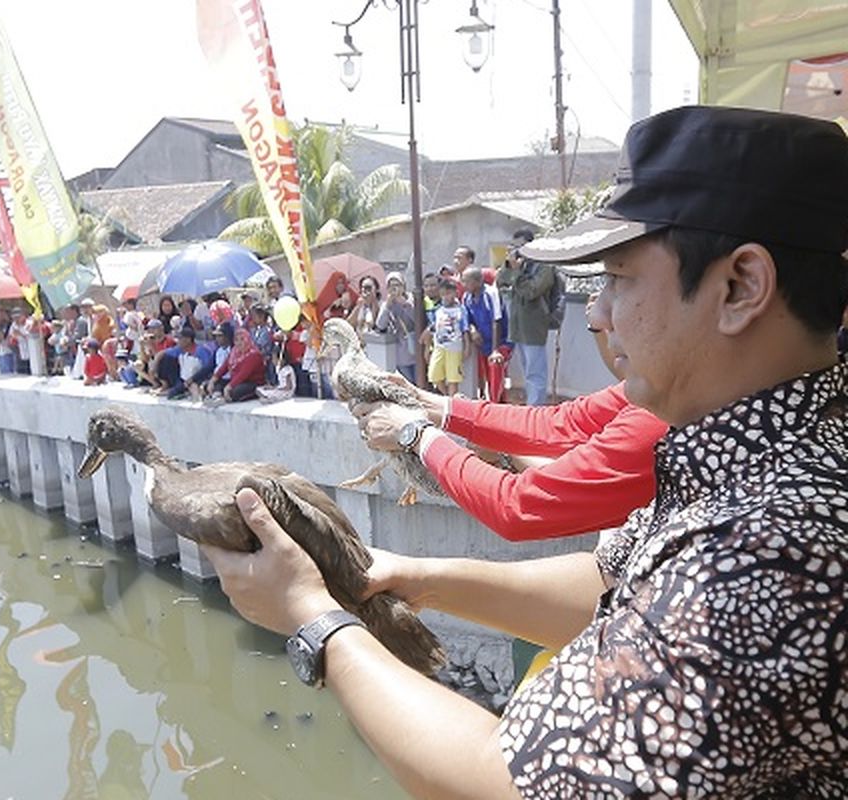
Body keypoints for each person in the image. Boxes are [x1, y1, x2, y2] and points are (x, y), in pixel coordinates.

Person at [203, 106, 848, 798]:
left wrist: (311, 617)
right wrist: (410, 574)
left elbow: (509, 783)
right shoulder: (752, 451)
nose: (598, 313)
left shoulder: (775, 551)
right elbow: (610, 582)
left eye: (621, 277)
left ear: (740, 286)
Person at [496, 229, 554, 405]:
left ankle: (536, 409)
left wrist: (517, 273)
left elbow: (531, 291)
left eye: (520, 246)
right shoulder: (517, 266)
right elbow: (500, 281)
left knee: (535, 372)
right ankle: (532, 405)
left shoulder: (543, 266)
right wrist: (508, 266)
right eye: (515, 247)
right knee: (526, 371)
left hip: (533, 325)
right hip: (517, 326)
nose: (518, 251)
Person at [461, 266, 510, 401]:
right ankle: (490, 400)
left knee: (496, 371)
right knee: (484, 375)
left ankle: (496, 405)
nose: (463, 285)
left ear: (478, 281)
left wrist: (495, 350)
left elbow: (496, 320)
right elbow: (466, 318)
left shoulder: (491, 293)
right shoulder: (467, 297)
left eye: (466, 281)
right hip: (482, 343)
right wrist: (472, 330)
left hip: (500, 342)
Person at [424, 277, 466, 396]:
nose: (445, 297)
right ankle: (447, 395)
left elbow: (465, 329)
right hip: (439, 347)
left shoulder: (461, 309)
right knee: (433, 376)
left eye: (448, 294)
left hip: (454, 348)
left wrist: (466, 347)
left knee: (453, 379)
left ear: (455, 293)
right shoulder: (438, 310)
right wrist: (428, 347)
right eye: (443, 294)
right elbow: (433, 329)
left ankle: (452, 402)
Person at [375, 272, 417, 384]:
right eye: (391, 286)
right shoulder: (387, 303)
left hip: (415, 347)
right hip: (400, 351)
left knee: (420, 382)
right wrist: (387, 306)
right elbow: (380, 325)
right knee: (408, 384)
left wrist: (405, 304)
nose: (395, 288)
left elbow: (418, 320)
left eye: (397, 285)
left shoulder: (411, 299)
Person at [205, 327, 265, 404]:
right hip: (237, 381)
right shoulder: (234, 351)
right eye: (236, 340)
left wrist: (229, 386)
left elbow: (243, 374)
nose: (239, 343)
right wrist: (213, 380)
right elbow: (224, 367)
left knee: (234, 392)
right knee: (210, 384)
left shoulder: (254, 354)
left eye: (242, 339)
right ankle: (217, 396)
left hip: (252, 382)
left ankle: (223, 396)